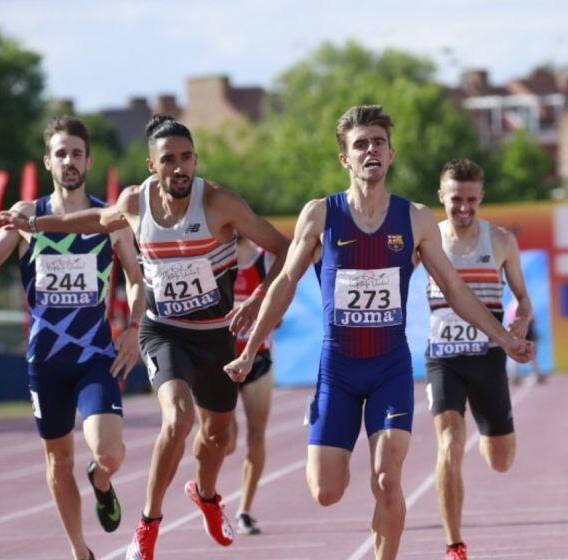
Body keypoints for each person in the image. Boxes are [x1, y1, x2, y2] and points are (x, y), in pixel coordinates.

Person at [223, 106, 534, 560]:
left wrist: (504, 338)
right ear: (344, 159)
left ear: (390, 155)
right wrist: (250, 349)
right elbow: (286, 283)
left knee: (388, 480)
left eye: (378, 143)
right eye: (360, 144)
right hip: (338, 369)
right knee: (326, 490)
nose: (371, 150)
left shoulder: (415, 219)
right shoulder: (320, 216)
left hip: (389, 369)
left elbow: (455, 289)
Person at [0, 114, 289, 559]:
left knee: (218, 439)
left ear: (195, 160)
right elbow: (95, 219)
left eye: (186, 158)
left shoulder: (219, 203)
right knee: (178, 419)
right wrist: (38, 226)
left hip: (215, 333)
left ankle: (206, 495)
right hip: (164, 331)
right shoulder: (136, 203)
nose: (179, 168)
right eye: (168, 160)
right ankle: (148, 526)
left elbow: (284, 247)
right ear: (152, 165)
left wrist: (257, 299)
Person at [0, 116, 145, 560]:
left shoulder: (109, 219)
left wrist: (134, 329)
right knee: (59, 462)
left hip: (96, 353)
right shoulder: (26, 216)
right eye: (61, 153)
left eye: (77, 153)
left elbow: (136, 279)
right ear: (48, 162)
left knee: (110, 451)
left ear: (89, 160)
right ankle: (81, 552)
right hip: (46, 360)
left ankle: (102, 479)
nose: (69, 161)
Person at [422, 158, 531, 560]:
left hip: (487, 360)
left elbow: (523, 300)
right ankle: (454, 544)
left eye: (471, 200)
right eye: (455, 200)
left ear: (481, 197)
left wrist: (519, 323)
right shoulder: (427, 240)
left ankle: (493, 437)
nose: (464, 208)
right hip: (443, 359)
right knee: (449, 444)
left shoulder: (501, 241)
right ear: (441, 197)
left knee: (500, 461)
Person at [215, 236, 277, 535]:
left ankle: (244, 511)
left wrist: (269, 315)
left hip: (257, 359)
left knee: (256, 436)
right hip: (221, 362)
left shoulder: (264, 259)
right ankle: (208, 497)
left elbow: (282, 295)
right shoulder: (214, 256)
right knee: (224, 442)